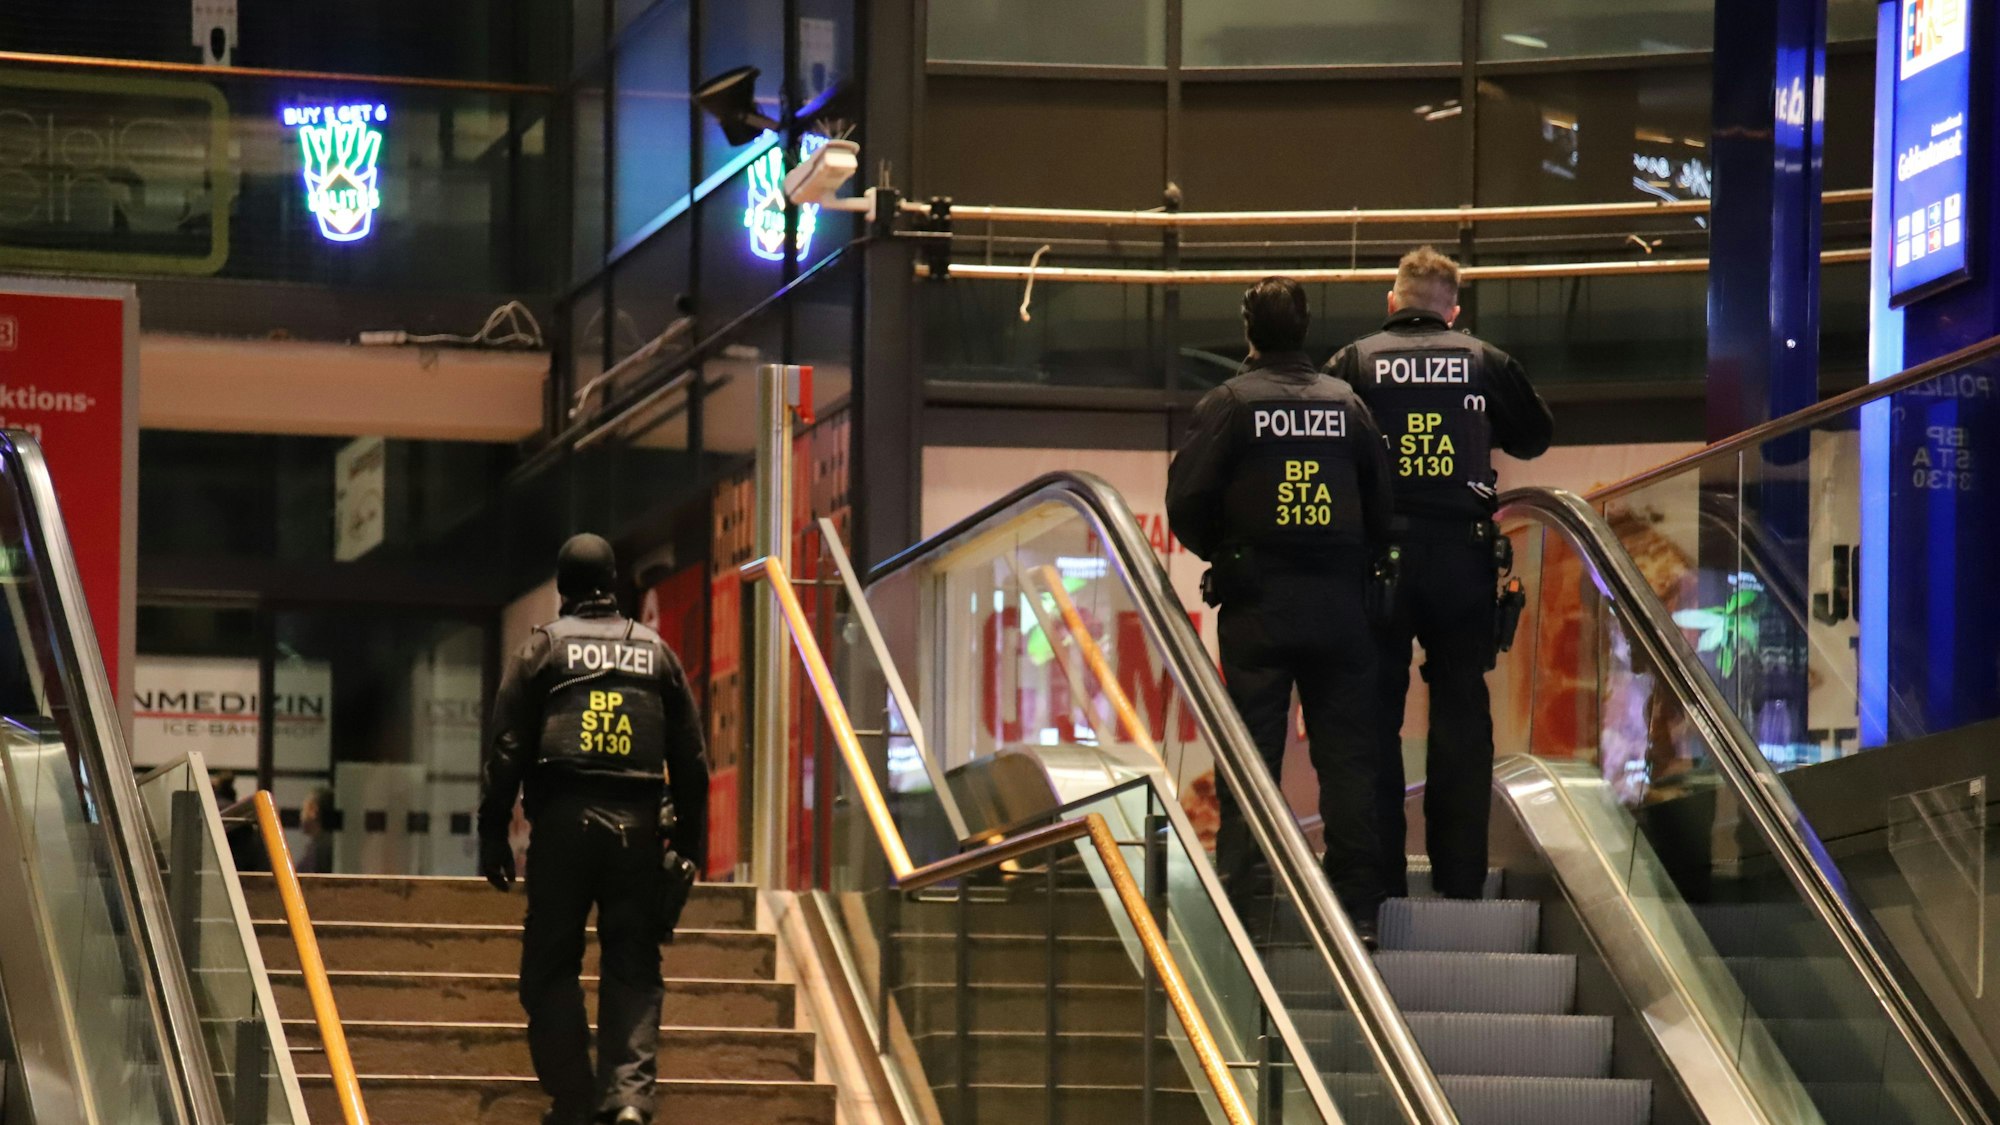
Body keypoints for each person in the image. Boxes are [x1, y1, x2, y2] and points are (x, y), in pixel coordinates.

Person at [1167, 276, 1398, 941]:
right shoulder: (1347, 405)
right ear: (1304, 328)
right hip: (1341, 606)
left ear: (1249, 330)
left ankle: (1246, 906)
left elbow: (1185, 503)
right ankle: (1359, 907)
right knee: (1348, 758)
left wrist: (1226, 550)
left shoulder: (1231, 404)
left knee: (1250, 757)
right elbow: (1382, 509)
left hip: (1258, 605)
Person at [1325, 246, 1553, 901]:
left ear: (1391, 303)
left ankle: (1379, 879)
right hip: (1463, 557)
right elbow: (1535, 435)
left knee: (1373, 718)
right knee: (1461, 711)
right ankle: (1459, 878)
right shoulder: (1484, 360)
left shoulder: (1356, 361)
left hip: (1378, 562)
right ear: (1454, 312)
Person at [479, 533, 710, 1125]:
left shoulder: (542, 652)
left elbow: (508, 748)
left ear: (562, 588)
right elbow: (691, 760)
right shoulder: (656, 654)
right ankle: (629, 1098)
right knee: (633, 963)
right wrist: (689, 847)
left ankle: (576, 1097)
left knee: (551, 966)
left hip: (561, 826)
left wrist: (492, 832)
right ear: (614, 584)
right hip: (637, 829)